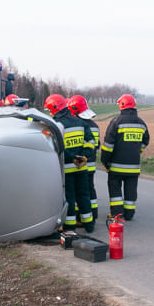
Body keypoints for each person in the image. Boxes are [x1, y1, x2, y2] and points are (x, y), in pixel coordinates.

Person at [44, 94, 95, 233]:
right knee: (84, 196)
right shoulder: (81, 122)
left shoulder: (56, 125)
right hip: (82, 167)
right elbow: (91, 142)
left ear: (55, 108)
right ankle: (89, 225)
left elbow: (58, 148)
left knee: (70, 198)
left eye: (50, 109)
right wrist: (84, 156)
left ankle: (70, 226)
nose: (50, 112)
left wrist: (72, 158)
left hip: (66, 170)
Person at [101, 94, 149, 220]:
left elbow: (108, 145)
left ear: (122, 106)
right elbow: (146, 141)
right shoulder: (141, 123)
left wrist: (105, 162)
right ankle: (129, 214)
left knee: (115, 190)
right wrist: (137, 151)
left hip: (116, 167)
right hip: (133, 167)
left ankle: (117, 215)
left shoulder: (116, 122)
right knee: (131, 191)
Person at [67, 95, 100, 219]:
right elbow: (96, 145)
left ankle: (78, 215)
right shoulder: (95, 126)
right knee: (90, 189)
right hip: (91, 164)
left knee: (78, 192)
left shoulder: (77, 125)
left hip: (80, 165)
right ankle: (94, 213)